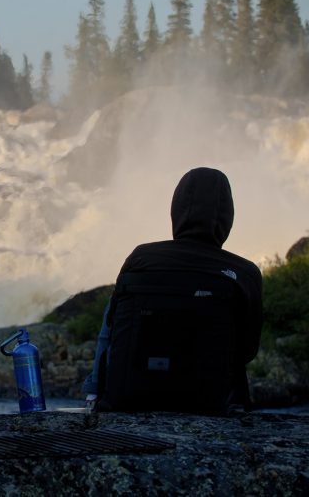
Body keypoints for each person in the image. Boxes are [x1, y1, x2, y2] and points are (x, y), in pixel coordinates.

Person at [83, 167, 262, 414]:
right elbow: (247, 351)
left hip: (127, 400)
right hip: (208, 405)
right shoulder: (244, 272)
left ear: (176, 211)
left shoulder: (140, 258)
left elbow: (110, 333)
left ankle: (97, 391)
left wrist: (94, 391)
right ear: (227, 217)